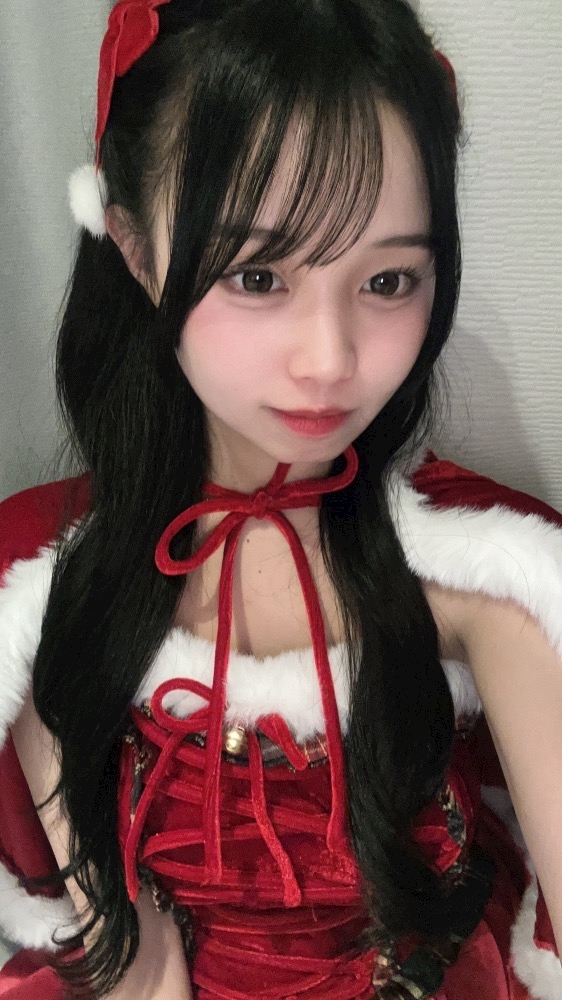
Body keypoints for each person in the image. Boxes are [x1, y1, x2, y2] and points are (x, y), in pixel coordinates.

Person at [1, 0, 562, 997]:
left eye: (389, 280)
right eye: (258, 275)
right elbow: (134, 958)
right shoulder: (43, 588)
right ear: (133, 249)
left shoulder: (493, 576)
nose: (330, 360)